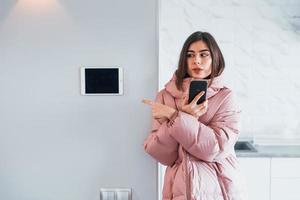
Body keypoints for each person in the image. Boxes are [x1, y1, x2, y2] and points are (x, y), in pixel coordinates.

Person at [143, 31, 247, 200]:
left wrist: (175, 116)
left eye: (204, 55)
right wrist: (182, 118)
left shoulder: (225, 97)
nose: (196, 61)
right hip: (178, 188)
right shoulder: (165, 96)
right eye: (190, 55)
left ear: (215, 59)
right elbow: (161, 154)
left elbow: (215, 148)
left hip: (220, 189)